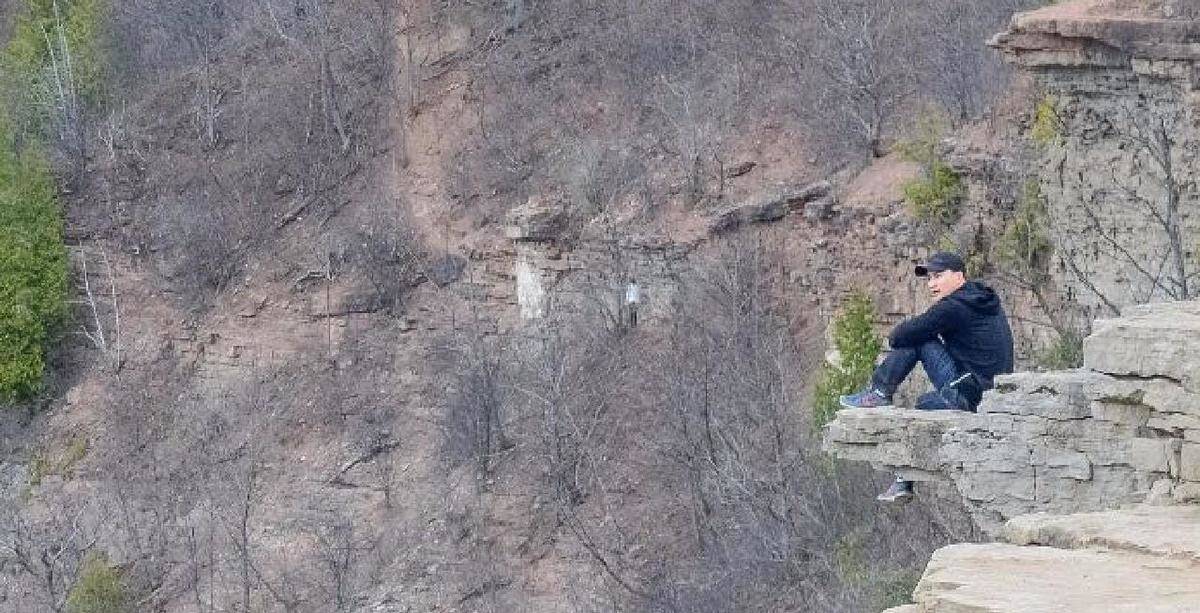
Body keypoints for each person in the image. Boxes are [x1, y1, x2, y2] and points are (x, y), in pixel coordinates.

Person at [839, 251, 1014, 502]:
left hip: (971, 394)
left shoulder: (953, 307)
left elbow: (899, 337)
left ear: (959, 276)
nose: (932, 284)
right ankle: (903, 482)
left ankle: (878, 393)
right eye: (929, 278)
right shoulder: (982, 297)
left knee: (917, 342)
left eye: (938, 276)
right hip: (990, 392)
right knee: (926, 403)